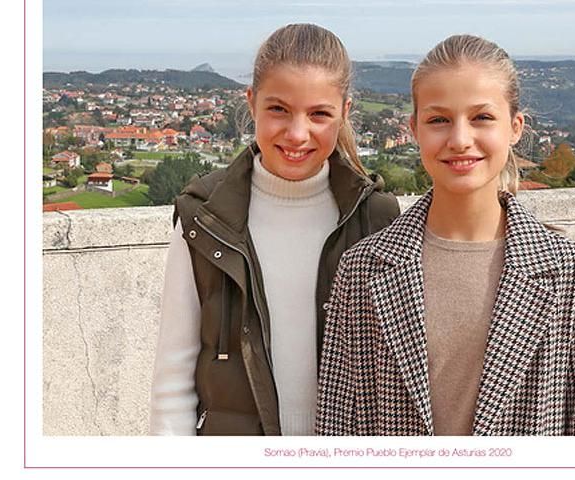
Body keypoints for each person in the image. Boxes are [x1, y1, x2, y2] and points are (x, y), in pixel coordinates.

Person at [315, 34, 575, 436]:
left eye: (482, 118)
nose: (459, 139)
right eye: (439, 119)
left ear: (515, 127)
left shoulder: (571, 273)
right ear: (414, 129)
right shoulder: (362, 270)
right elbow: (337, 429)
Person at [149, 23, 400, 436]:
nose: (297, 133)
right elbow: (172, 387)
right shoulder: (205, 220)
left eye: (319, 113)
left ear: (346, 113)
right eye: (278, 109)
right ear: (251, 103)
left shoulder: (376, 219)